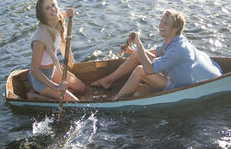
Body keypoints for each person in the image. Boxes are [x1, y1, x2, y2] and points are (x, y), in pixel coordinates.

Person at [92, 9, 222, 99]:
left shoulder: (177, 49)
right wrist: (131, 51)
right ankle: (107, 81)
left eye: (165, 23)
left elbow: (149, 70)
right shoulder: (173, 40)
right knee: (138, 54)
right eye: (161, 21)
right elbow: (155, 52)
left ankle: (115, 102)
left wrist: (139, 43)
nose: (160, 25)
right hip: (181, 72)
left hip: (182, 85)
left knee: (140, 71)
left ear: (175, 28)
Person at [27, 0, 86, 101]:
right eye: (47, 8)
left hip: (52, 70)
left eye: (53, 5)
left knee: (81, 88)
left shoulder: (55, 21)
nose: (53, 9)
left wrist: (69, 13)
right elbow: (34, 70)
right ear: (42, 14)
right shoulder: (40, 38)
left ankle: (41, 93)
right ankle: (35, 95)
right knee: (74, 102)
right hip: (40, 79)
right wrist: (55, 86)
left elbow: (61, 14)